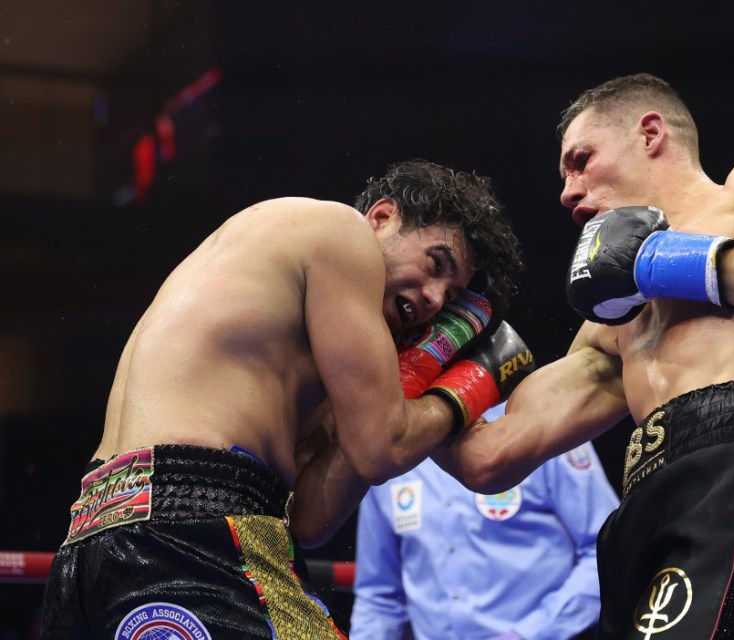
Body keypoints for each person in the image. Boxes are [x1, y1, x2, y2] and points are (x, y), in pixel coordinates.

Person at [436, 73, 734, 640]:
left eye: (581, 159)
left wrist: (660, 260)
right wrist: (413, 370)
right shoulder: (615, 318)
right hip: (645, 507)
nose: (568, 191)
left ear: (650, 133)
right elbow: (491, 456)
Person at [39, 159, 526, 640]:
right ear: (382, 217)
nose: (436, 300)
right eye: (434, 265)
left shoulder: (294, 341)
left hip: (89, 548)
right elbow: (384, 447)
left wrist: (404, 384)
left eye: (451, 294)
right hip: (193, 527)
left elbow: (310, 519)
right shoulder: (339, 232)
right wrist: (469, 384)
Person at [349, 401, 619, 640]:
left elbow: (606, 552)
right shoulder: (390, 460)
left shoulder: (540, 423)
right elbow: (380, 597)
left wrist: (529, 634)